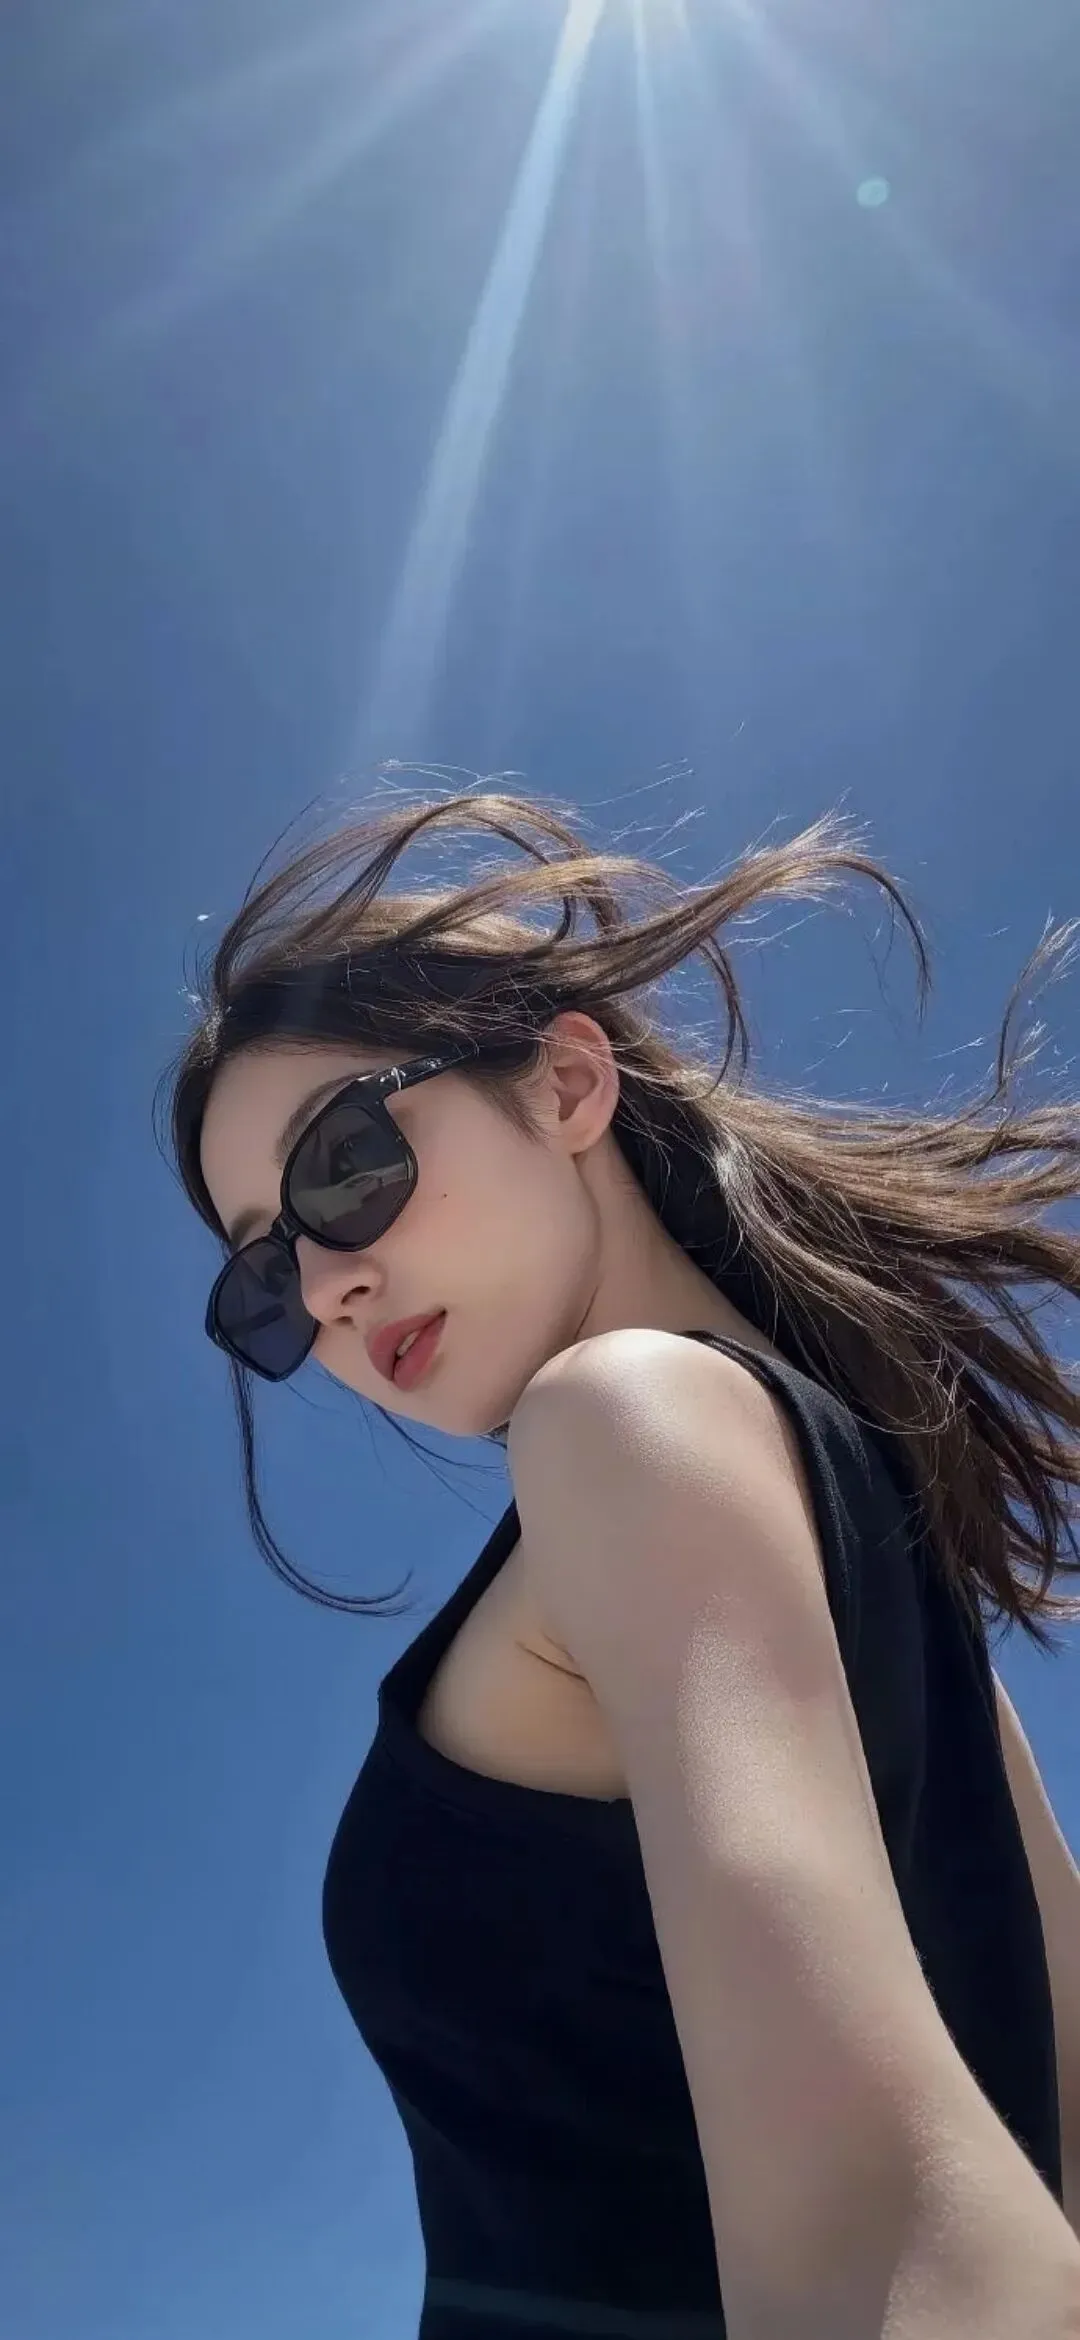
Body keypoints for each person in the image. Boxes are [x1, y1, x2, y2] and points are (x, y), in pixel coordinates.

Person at [167, 789, 1080, 2339]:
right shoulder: (886, 1552)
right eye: (264, 1278)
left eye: (341, 1169)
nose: (325, 1289)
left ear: (568, 1082)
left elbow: (878, 2225)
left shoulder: (616, 1415)